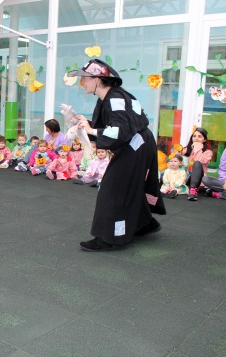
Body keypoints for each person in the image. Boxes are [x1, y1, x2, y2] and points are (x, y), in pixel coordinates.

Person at [69, 59, 165, 251]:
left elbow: (120, 131)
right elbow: (117, 127)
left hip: (135, 145)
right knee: (129, 186)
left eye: (84, 79)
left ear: (97, 79)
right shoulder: (112, 97)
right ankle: (145, 223)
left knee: (112, 188)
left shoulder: (114, 98)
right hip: (138, 143)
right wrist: (86, 124)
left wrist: (92, 130)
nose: (82, 83)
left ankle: (110, 236)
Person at [183, 127, 214, 201]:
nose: (196, 138)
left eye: (199, 136)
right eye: (194, 136)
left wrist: (197, 147)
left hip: (198, 181)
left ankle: (193, 191)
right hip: (186, 178)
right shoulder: (187, 150)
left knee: (197, 163)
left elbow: (199, 160)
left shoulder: (208, 152)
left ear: (205, 140)